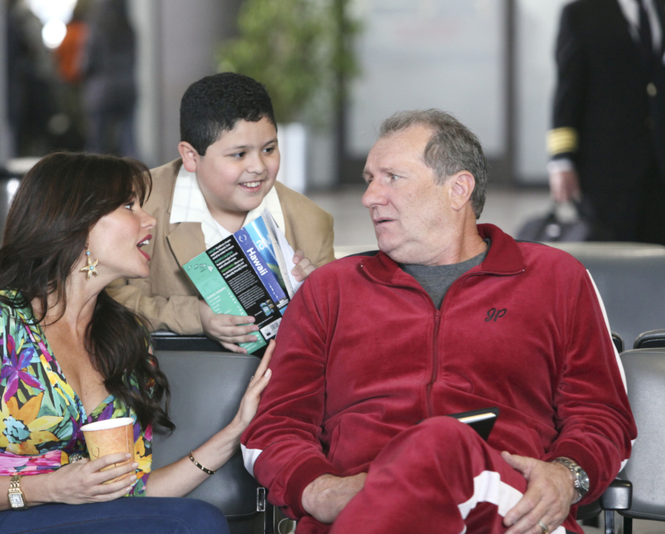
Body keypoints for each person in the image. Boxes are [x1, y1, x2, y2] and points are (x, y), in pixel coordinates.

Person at [241, 110, 636, 534]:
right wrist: (319, 491)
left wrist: (566, 475)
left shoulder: (556, 278)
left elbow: (603, 415)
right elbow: (274, 426)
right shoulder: (328, 291)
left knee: (440, 442)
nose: (370, 197)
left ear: (458, 189)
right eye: (369, 179)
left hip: (513, 514)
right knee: (433, 450)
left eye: (392, 177)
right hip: (357, 510)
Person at [0, 152, 273, 534]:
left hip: (97, 521)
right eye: (128, 206)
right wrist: (53, 487)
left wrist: (236, 429)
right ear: (77, 224)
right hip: (4, 521)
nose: (148, 218)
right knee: (195, 523)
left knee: (199, 520)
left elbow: (133, 492)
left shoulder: (127, 337)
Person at [108, 72, 335, 353]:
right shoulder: (136, 204)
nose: (259, 167)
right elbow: (105, 298)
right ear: (191, 156)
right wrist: (195, 317)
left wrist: (317, 294)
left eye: (269, 149)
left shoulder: (311, 223)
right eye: (239, 154)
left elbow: (334, 334)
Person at [547, 0, 665, 244]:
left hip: (658, 168)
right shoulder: (581, 13)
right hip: (607, 172)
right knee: (615, 261)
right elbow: (568, 92)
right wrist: (561, 158)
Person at [82, 0, 138, 157]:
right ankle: (136, 178)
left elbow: (87, 62)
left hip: (102, 88)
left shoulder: (98, 28)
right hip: (127, 86)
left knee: (97, 144)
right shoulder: (129, 28)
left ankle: (96, 180)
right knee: (128, 142)